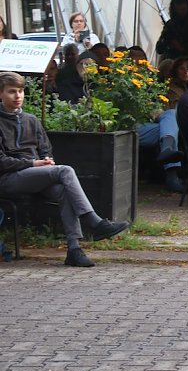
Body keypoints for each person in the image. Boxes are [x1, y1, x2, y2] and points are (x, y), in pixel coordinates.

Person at [0, 71, 128, 267]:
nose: (18, 96)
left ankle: (74, 249)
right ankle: (94, 222)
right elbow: (1, 162)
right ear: (1, 94)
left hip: (35, 174)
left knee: (63, 190)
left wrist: (46, 160)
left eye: (21, 91)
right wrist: (33, 164)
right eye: (12, 92)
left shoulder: (30, 120)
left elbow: (45, 148)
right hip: (9, 178)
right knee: (65, 171)